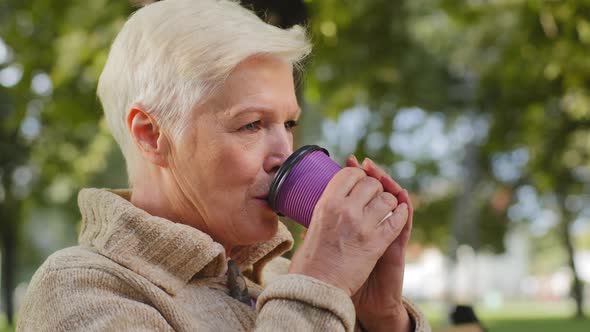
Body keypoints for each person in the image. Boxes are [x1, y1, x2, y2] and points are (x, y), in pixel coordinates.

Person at [17, 0, 431, 331]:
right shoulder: (78, 291)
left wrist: (383, 318)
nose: (284, 151)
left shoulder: (282, 278)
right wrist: (317, 288)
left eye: (289, 123)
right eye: (251, 124)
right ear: (150, 135)